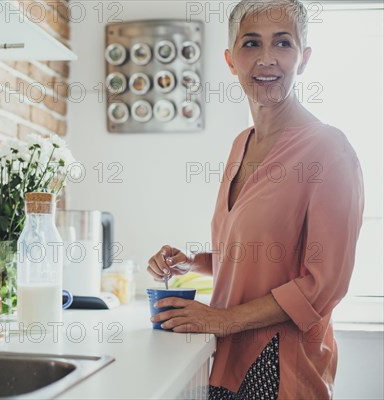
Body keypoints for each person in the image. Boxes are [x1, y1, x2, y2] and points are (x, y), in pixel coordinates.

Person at [147, 1, 364, 399]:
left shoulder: (328, 150)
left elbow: (323, 283)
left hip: (281, 369)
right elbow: (258, 259)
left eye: (283, 43)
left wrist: (223, 320)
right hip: (227, 362)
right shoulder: (241, 145)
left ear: (304, 59)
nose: (266, 59)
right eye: (251, 44)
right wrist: (192, 262)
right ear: (231, 61)